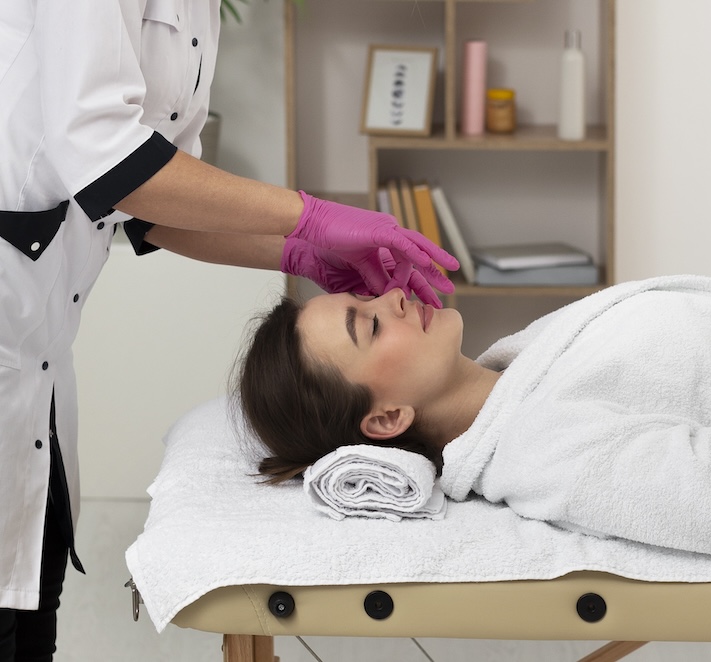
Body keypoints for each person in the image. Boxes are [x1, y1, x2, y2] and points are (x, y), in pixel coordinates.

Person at [0, 2, 457, 659]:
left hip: (33, 356)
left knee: (31, 606)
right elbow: (106, 160)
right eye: (364, 323)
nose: (391, 306)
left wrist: (297, 252)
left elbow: (152, 205)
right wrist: (308, 217)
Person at [236, 262, 711, 561]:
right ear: (385, 420)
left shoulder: (519, 365)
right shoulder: (545, 453)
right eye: (368, 326)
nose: (392, 298)